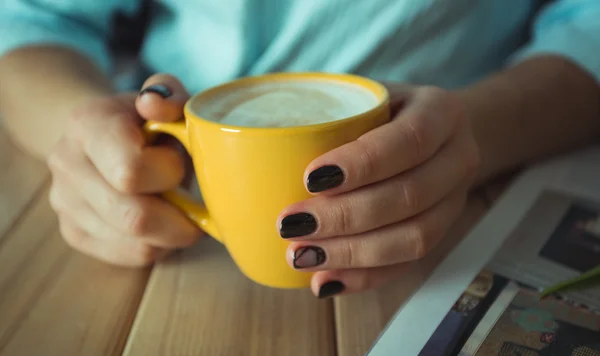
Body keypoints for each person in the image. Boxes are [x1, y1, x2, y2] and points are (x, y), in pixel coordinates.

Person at [0, 1, 599, 299]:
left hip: (484, 189)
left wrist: (473, 131)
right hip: (164, 233)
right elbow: (34, 19)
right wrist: (85, 134)